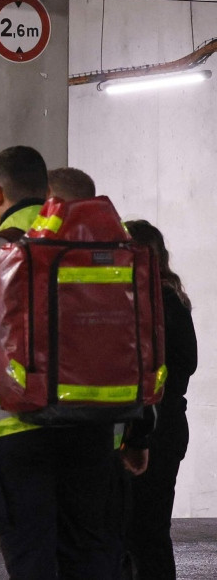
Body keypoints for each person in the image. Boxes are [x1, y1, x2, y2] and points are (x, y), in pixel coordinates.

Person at [0, 146, 117, 579]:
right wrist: (140, 428)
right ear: (47, 190)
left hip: (16, 431)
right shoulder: (102, 242)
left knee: (30, 558)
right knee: (90, 555)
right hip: (92, 426)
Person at [121, 220, 197, 579]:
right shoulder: (171, 298)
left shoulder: (155, 302)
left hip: (152, 426)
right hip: (163, 425)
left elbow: (167, 366)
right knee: (143, 533)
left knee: (141, 534)